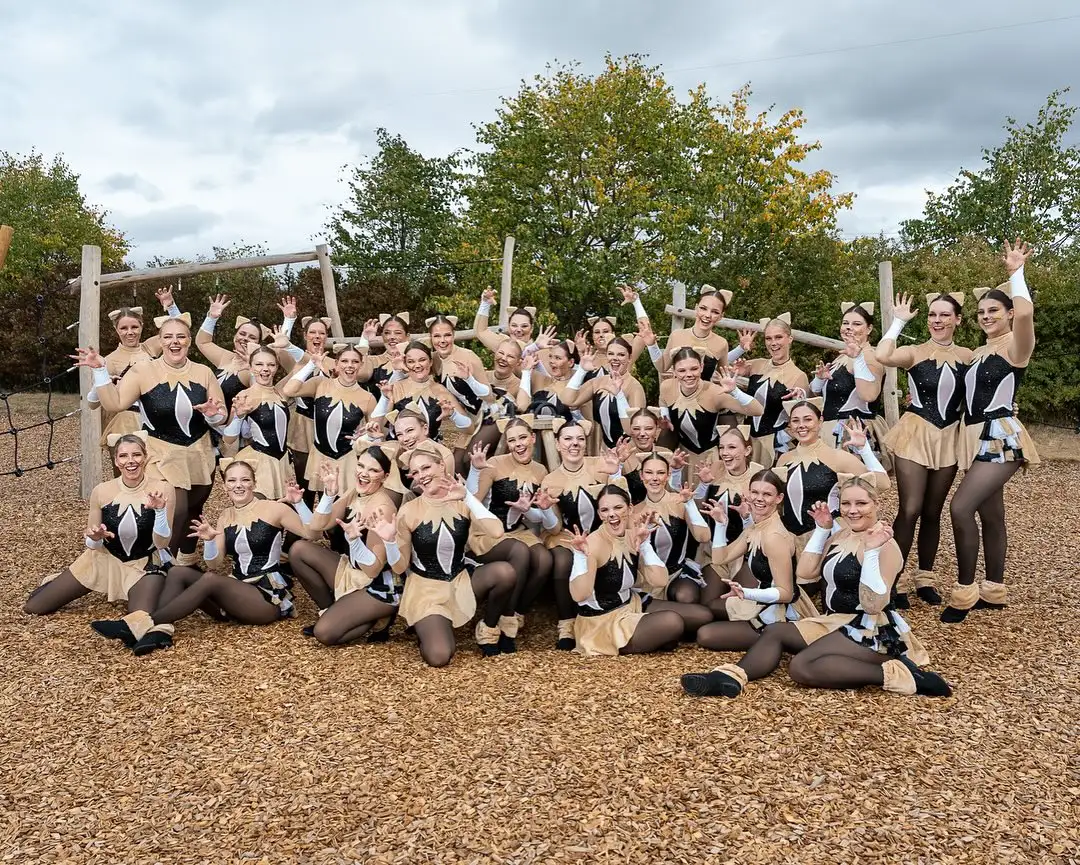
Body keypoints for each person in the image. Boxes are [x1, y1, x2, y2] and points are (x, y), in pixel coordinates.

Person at [681, 474, 951, 698]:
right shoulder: (842, 533)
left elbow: (873, 604)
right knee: (775, 632)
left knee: (802, 666)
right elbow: (806, 573)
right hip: (834, 620)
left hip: (869, 627)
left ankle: (900, 672)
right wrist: (822, 530)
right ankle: (730, 679)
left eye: (861, 503)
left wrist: (870, 552)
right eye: (846, 504)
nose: (853, 510)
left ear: (875, 504)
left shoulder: (885, 544)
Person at [89, 458, 315, 655]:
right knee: (177, 571)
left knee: (208, 579)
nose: (239, 485)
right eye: (232, 481)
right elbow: (214, 563)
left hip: (265, 601)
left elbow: (311, 533)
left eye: (245, 480)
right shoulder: (226, 516)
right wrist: (208, 541)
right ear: (225, 486)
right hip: (234, 596)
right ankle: (161, 632)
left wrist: (298, 503)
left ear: (254, 483)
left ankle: (139, 624)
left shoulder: (275, 509)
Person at [75, 314, 228, 563]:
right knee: (174, 509)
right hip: (162, 452)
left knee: (193, 510)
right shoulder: (143, 370)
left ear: (189, 341)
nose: (174, 342)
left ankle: (185, 563)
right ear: (160, 340)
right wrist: (101, 371)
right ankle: (160, 564)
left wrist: (213, 416)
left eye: (181, 337)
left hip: (199, 452)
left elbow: (221, 415)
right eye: (168, 337)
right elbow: (114, 403)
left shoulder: (204, 372)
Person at [944, 239, 1041, 623]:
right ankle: (994, 590)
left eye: (994, 310)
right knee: (992, 515)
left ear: (1009, 313)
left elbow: (1027, 315)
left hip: (1000, 437)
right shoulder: (979, 351)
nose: (986, 316)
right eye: (982, 312)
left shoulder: (1017, 347)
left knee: (960, 507)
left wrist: (1016, 272)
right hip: (973, 436)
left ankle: (964, 592)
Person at [26, 434, 174, 641]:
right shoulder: (102, 491)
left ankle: (156, 590)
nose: (130, 461)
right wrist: (95, 537)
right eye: (123, 456)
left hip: (143, 564)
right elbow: (92, 544)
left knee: (139, 618)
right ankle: (56, 581)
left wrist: (159, 511)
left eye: (136, 455)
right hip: (103, 559)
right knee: (34, 606)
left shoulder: (163, 488)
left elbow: (162, 543)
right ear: (116, 461)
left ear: (145, 458)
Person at [878, 291, 974, 607]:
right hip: (915, 433)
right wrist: (898, 322)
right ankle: (894, 580)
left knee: (933, 512)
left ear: (958, 319)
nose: (937, 320)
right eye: (933, 315)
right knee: (910, 509)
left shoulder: (967, 355)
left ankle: (925, 579)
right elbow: (882, 355)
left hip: (948, 436)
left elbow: (987, 383)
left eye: (945, 315)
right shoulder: (914, 352)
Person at [385, 445, 517, 666]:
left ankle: (488, 628)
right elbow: (399, 568)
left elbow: (497, 531)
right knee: (439, 656)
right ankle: (428, 628)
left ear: (442, 465)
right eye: (415, 472)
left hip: (460, 581)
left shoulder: (461, 501)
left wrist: (467, 498)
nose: (421, 477)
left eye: (426, 468)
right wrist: (390, 542)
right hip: (426, 591)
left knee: (505, 572)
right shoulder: (409, 510)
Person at [693, 468, 817, 651]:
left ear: (779, 498)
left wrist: (747, 593)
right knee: (711, 607)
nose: (759, 498)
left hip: (779, 611)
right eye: (755, 492)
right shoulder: (756, 527)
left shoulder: (773, 536)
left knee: (705, 634)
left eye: (767, 494)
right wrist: (721, 524)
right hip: (761, 599)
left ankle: (778, 638)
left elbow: (786, 593)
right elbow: (721, 558)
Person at [290, 446, 401, 645]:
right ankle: (332, 610)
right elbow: (316, 528)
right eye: (361, 466)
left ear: (385, 477)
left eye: (373, 470)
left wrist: (354, 542)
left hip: (378, 586)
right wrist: (329, 494)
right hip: (353, 570)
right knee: (299, 550)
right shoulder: (354, 493)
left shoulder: (381, 508)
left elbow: (373, 569)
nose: (363, 473)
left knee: (324, 633)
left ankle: (374, 618)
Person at [465, 417, 554, 651]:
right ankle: (494, 625)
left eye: (523, 437)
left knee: (544, 560)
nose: (518, 444)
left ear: (532, 438)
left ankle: (515, 612)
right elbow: (471, 500)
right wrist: (475, 469)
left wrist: (529, 510)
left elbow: (536, 511)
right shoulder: (494, 464)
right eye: (512, 440)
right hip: (488, 532)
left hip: (517, 530)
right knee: (521, 552)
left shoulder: (540, 470)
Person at [568, 485, 687, 656]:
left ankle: (662, 637)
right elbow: (579, 596)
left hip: (631, 604)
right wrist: (579, 556)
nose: (612, 514)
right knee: (673, 622)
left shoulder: (632, 534)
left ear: (630, 508)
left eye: (618, 507)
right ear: (600, 514)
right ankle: (662, 637)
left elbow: (660, 581)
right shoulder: (593, 543)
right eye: (605, 509)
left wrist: (645, 545)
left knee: (700, 615)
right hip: (602, 623)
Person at [540, 420, 620, 649]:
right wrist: (545, 510)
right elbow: (554, 527)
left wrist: (615, 475)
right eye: (568, 439)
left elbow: (619, 502)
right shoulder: (551, 480)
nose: (574, 444)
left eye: (579, 439)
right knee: (562, 559)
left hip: (601, 533)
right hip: (566, 536)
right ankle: (566, 622)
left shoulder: (601, 466)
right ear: (557, 444)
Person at [775, 399, 890, 550]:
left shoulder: (837, 458)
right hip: (788, 540)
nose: (801, 425)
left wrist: (864, 449)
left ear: (820, 421)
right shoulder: (784, 459)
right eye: (795, 420)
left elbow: (882, 484)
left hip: (827, 538)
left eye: (808, 419)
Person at [281, 344, 377, 497]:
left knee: (342, 506)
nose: (350, 365)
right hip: (320, 455)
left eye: (355, 362)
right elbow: (289, 390)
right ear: (336, 364)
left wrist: (365, 437)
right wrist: (311, 364)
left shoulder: (368, 398)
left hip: (347, 459)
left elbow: (376, 433)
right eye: (345, 361)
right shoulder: (320, 384)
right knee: (320, 505)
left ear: (361, 365)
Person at [92, 287, 182, 448]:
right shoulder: (110, 360)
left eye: (134, 327)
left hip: (160, 416)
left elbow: (179, 330)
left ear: (141, 326)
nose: (130, 332)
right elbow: (93, 403)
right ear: (116, 330)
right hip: (129, 422)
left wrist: (170, 306)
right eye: (124, 328)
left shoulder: (151, 347)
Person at [658, 347, 763, 479]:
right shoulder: (667, 387)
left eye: (694, 369)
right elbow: (662, 401)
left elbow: (758, 410)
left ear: (701, 367)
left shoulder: (714, 393)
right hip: (682, 456)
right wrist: (665, 415)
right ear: (674, 371)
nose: (688, 374)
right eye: (682, 370)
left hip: (710, 459)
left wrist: (735, 391)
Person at [811, 301, 890, 468]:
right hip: (830, 431)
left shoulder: (870, 357)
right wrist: (820, 379)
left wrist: (858, 359)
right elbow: (820, 394)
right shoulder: (841, 357)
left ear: (869, 329)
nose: (848, 328)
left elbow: (869, 395)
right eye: (845, 323)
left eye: (856, 324)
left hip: (851, 433)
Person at [693, 425, 764, 606]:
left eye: (732, 447)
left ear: (747, 450)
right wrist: (703, 485)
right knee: (707, 605)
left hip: (747, 555)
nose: (725, 452)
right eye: (721, 447)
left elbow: (763, 527)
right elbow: (698, 512)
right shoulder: (714, 470)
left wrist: (747, 516)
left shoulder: (759, 478)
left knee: (737, 604)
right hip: (714, 552)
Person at [733, 315, 810, 467]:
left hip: (772, 446)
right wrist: (740, 350)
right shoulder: (756, 364)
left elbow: (802, 416)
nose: (773, 343)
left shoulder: (798, 376)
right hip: (747, 441)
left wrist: (800, 398)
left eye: (778, 337)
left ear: (790, 339)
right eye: (768, 338)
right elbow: (716, 367)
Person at [622, 283, 738, 381]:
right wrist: (652, 345)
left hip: (704, 402)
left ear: (721, 316)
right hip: (676, 399)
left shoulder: (721, 343)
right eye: (703, 308)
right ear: (696, 307)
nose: (707, 315)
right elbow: (662, 367)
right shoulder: (677, 335)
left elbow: (722, 377)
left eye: (715, 312)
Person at [221, 345, 293, 500]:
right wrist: (239, 417)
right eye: (259, 364)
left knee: (282, 513)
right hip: (260, 461)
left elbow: (300, 367)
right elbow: (228, 439)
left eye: (271, 364)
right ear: (251, 367)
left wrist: (285, 342)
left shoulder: (280, 391)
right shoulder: (245, 395)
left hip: (282, 461)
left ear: (276, 367)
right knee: (259, 512)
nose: (265, 369)